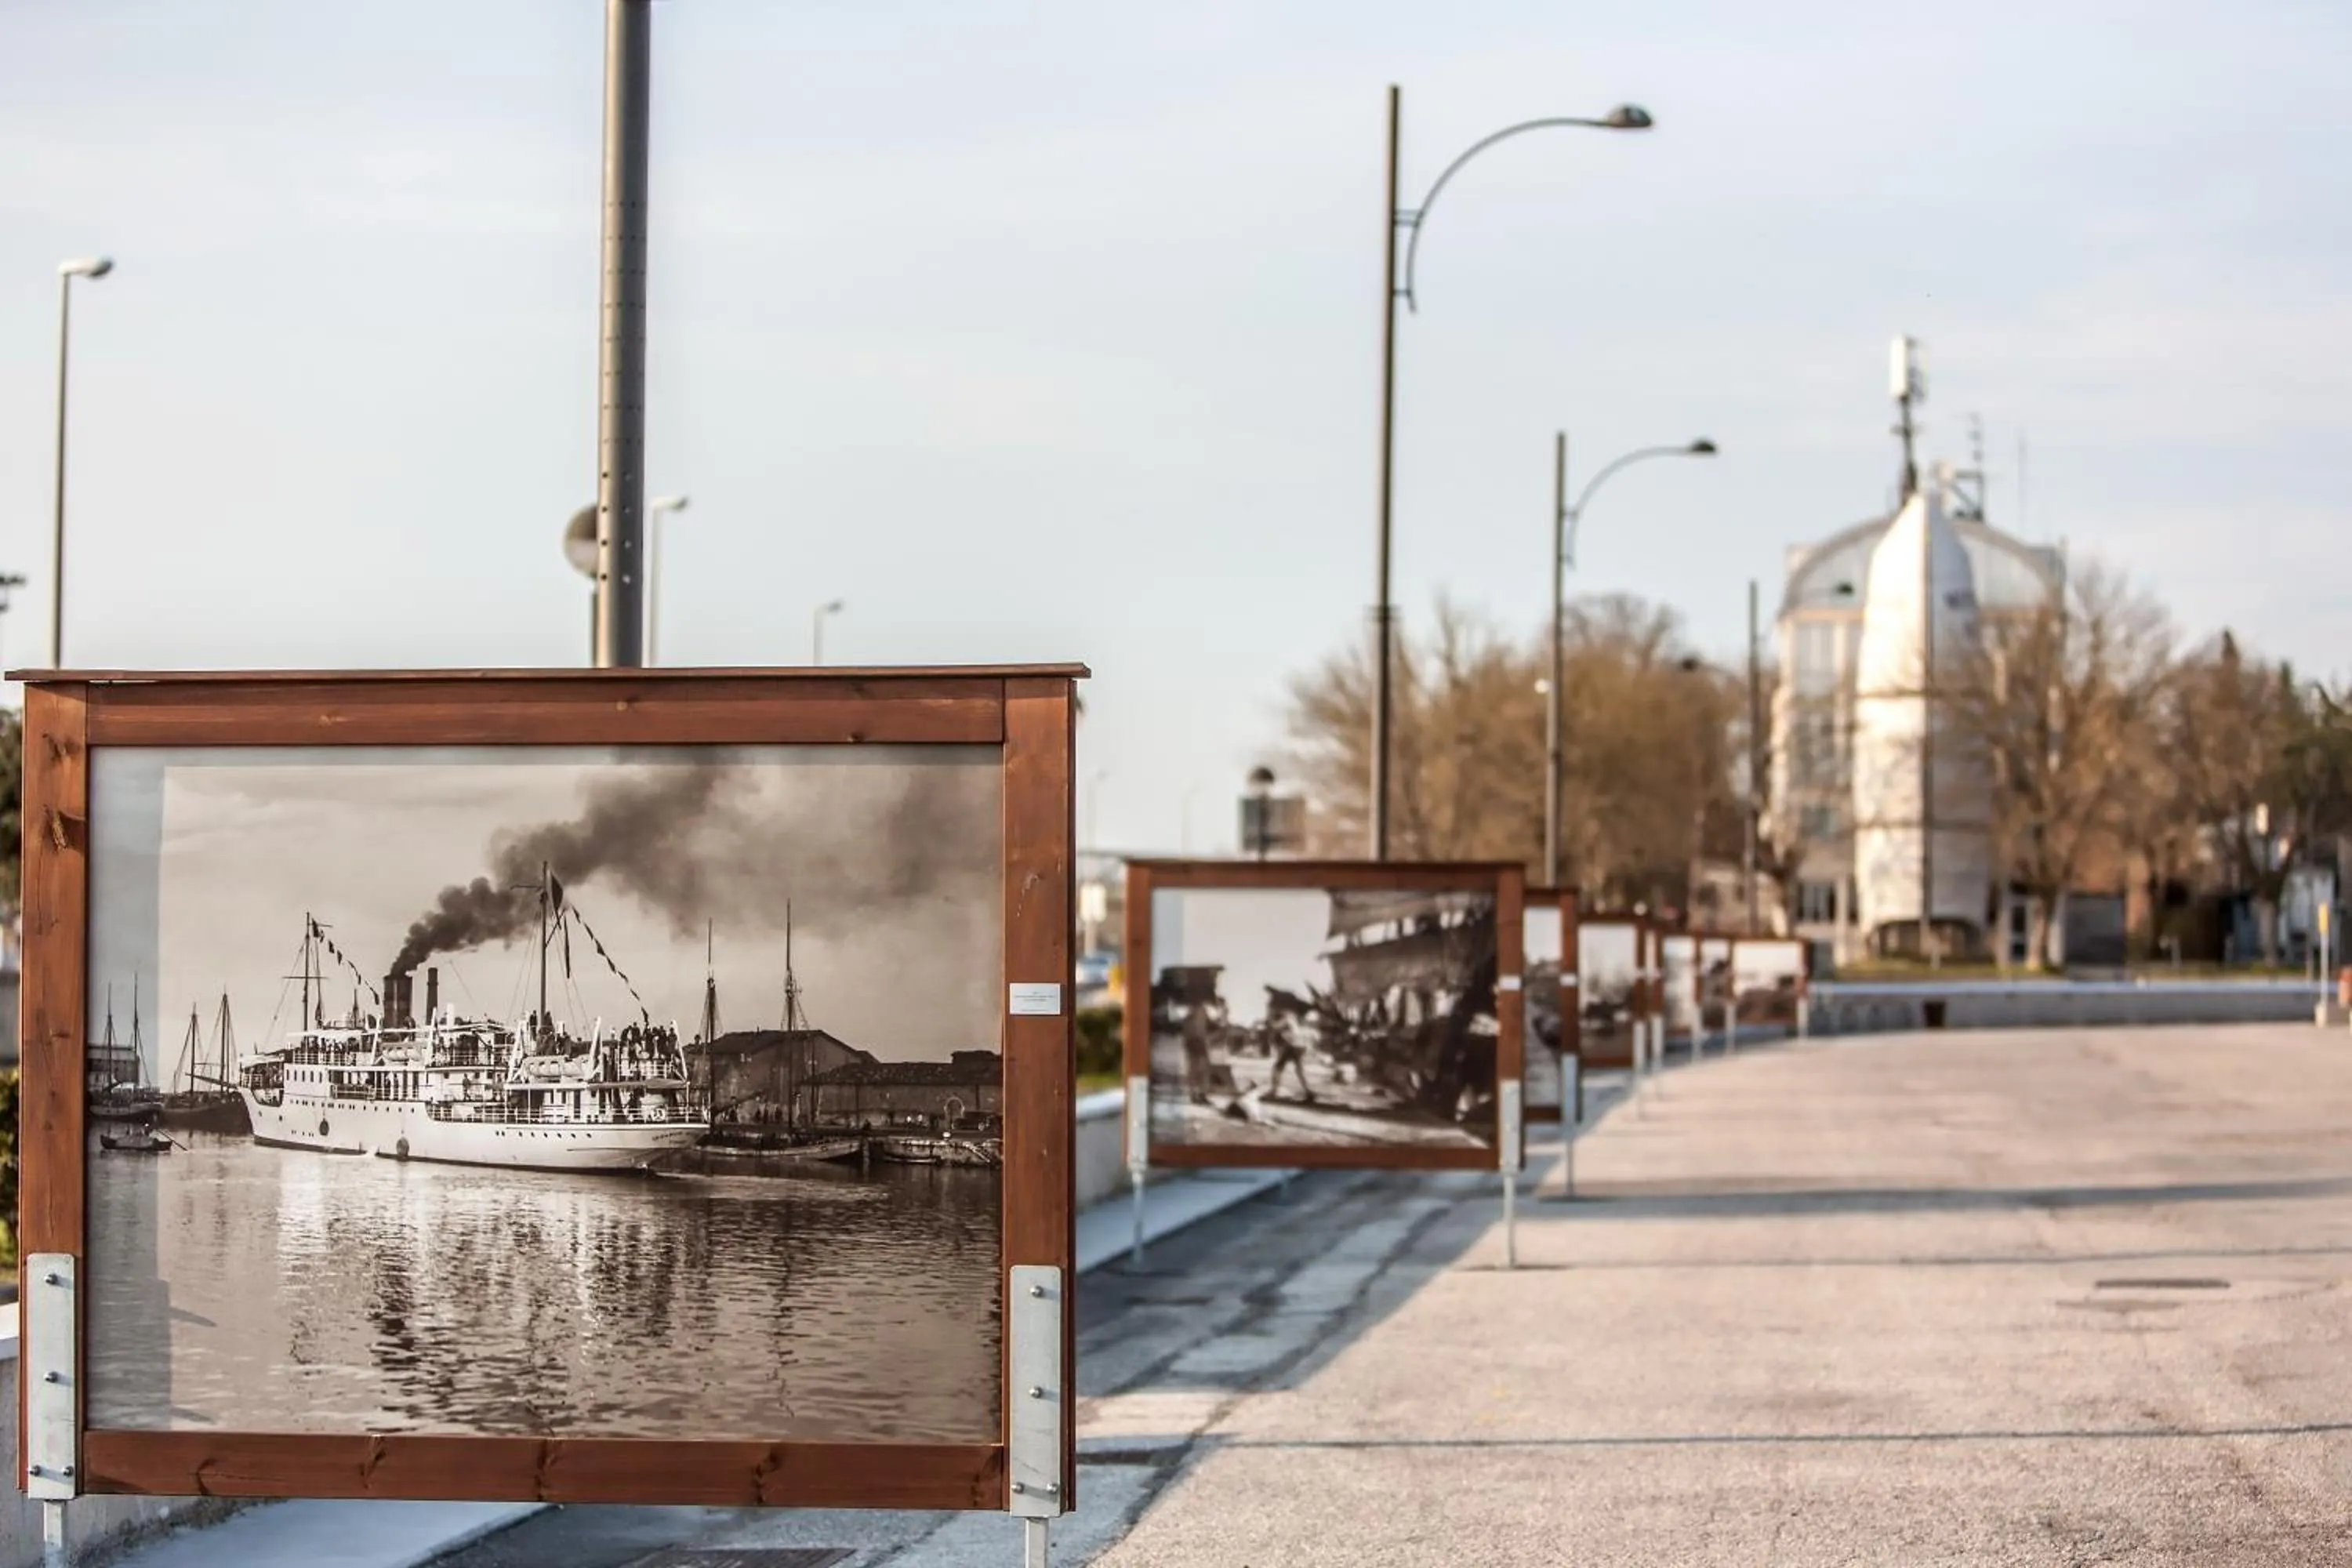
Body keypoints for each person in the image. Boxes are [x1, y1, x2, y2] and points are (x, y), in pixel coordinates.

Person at [1181, 999, 1215, 1105]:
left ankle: (1198, 1094)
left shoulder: (1199, 1009)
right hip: (1195, 1041)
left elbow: (1207, 1025)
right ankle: (1196, 1094)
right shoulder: (1194, 1009)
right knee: (1197, 1068)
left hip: (1198, 1040)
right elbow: (1189, 1026)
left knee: (1198, 1068)